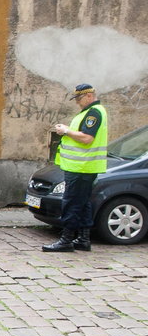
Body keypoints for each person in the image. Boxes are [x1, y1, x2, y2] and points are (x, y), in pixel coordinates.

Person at [42, 83, 108, 252]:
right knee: (83, 202)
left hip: (81, 166)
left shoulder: (93, 113)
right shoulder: (90, 112)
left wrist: (65, 130)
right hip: (84, 166)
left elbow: (86, 138)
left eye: (79, 98)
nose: (77, 102)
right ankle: (83, 239)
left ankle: (66, 240)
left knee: (71, 203)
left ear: (89, 96)